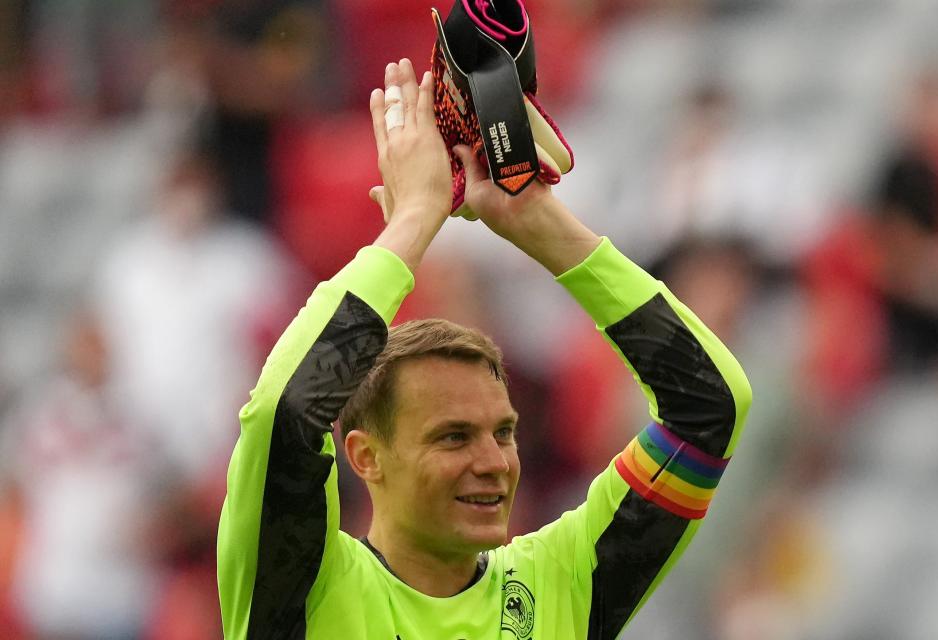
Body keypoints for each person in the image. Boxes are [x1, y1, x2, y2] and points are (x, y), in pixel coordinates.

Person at [217, 58, 752, 639]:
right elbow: (284, 412)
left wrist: (537, 222)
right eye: (453, 436)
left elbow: (710, 407)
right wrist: (413, 220)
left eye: (503, 432)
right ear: (366, 456)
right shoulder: (305, 588)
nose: (494, 463)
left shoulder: (561, 584)